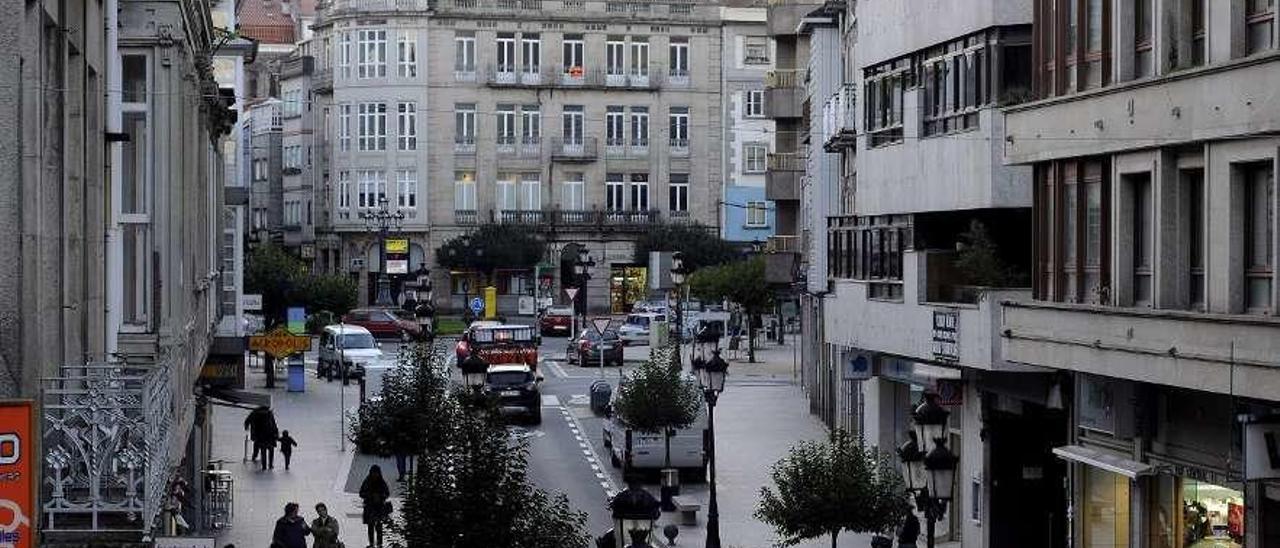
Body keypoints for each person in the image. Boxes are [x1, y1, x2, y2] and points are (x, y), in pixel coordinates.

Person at [358, 465, 390, 548]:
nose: (375, 475)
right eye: (373, 473)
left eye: (376, 473)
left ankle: (379, 543)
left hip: (379, 507)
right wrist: (371, 496)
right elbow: (361, 493)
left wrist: (380, 496)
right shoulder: (367, 481)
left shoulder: (382, 482)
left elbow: (387, 493)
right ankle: (372, 543)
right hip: (370, 507)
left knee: (379, 526)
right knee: (371, 526)